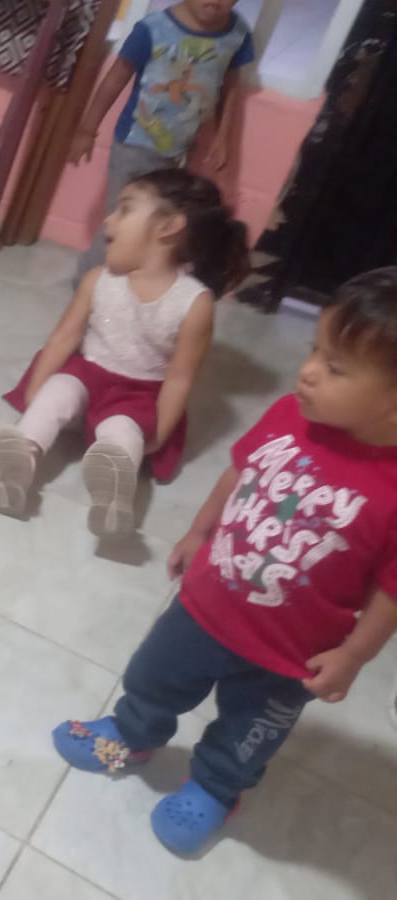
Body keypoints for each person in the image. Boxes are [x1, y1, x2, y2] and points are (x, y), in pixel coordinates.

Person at [51, 268, 397, 856]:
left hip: (290, 652)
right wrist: (198, 532)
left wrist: (353, 656)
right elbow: (239, 473)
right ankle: (133, 734)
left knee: (248, 732)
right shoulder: (289, 414)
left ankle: (215, 787)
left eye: (336, 367)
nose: (309, 370)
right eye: (314, 349)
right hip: (206, 603)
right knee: (154, 676)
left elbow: (391, 592)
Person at [0, 169, 249, 537]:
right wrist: (34, 393)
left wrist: (159, 433)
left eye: (125, 209)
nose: (109, 219)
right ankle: (16, 466)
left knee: (122, 431)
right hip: (86, 375)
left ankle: (113, 499)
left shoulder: (194, 304)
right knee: (57, 391)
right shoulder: (99, 279)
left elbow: (179, 378)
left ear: (168, 226)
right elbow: (63, 338)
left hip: (137, 396)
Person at [70, 0, 254, 283]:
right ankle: (89, 284)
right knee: (122, 220)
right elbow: (115, 78)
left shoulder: (237, 34)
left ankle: (130, 285)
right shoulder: (152, 29)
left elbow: (229, 88)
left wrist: (222, 137)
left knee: (159, 226)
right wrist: (86, 130)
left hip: (181, 152)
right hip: (135, 147)